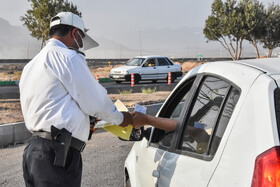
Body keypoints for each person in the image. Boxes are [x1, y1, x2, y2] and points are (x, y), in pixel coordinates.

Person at [19, 12, 132, 187]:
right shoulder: (68, 57)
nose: (81, 45)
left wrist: (85, 122)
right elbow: (96, 101)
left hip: (33, 151)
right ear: (75, 33)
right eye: (81, 38)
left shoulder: (31, 65)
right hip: (56, 154)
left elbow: (54, 102)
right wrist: (121, 119)